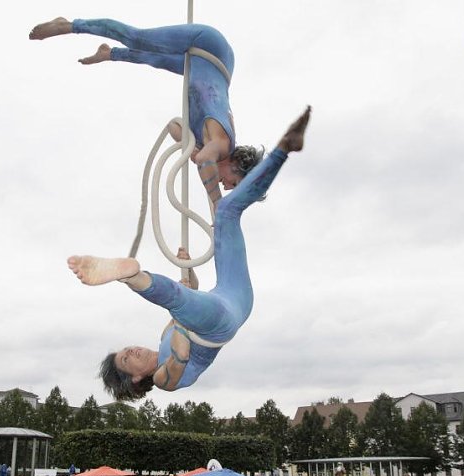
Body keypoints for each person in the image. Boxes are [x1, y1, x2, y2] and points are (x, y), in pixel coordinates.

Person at [67, 106, 311, 399]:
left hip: (233, 295)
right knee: (177, 300)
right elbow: (182, 353)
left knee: (226, 213)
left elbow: (191, 290)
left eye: (125, 350)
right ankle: (130, 277)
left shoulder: (164, 334)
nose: (131, 351)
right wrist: (182, 318)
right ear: (135, 379)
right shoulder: (164, 380)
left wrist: (188, 270)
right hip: (218, 325)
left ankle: (285, 148)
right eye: (126, 360)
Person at [29, 17, 262, 204]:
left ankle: (109, 53)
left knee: (156, 59)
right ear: (237, 166)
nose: (226, 186)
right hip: (212, 48)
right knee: (137, 39)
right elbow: (204, 159)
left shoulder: (207, 145)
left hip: (204, 66)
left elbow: (174, 126)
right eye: (234, 183)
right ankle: (70, 25)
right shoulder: (223, 144)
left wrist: (189, 145)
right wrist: (217, 204)